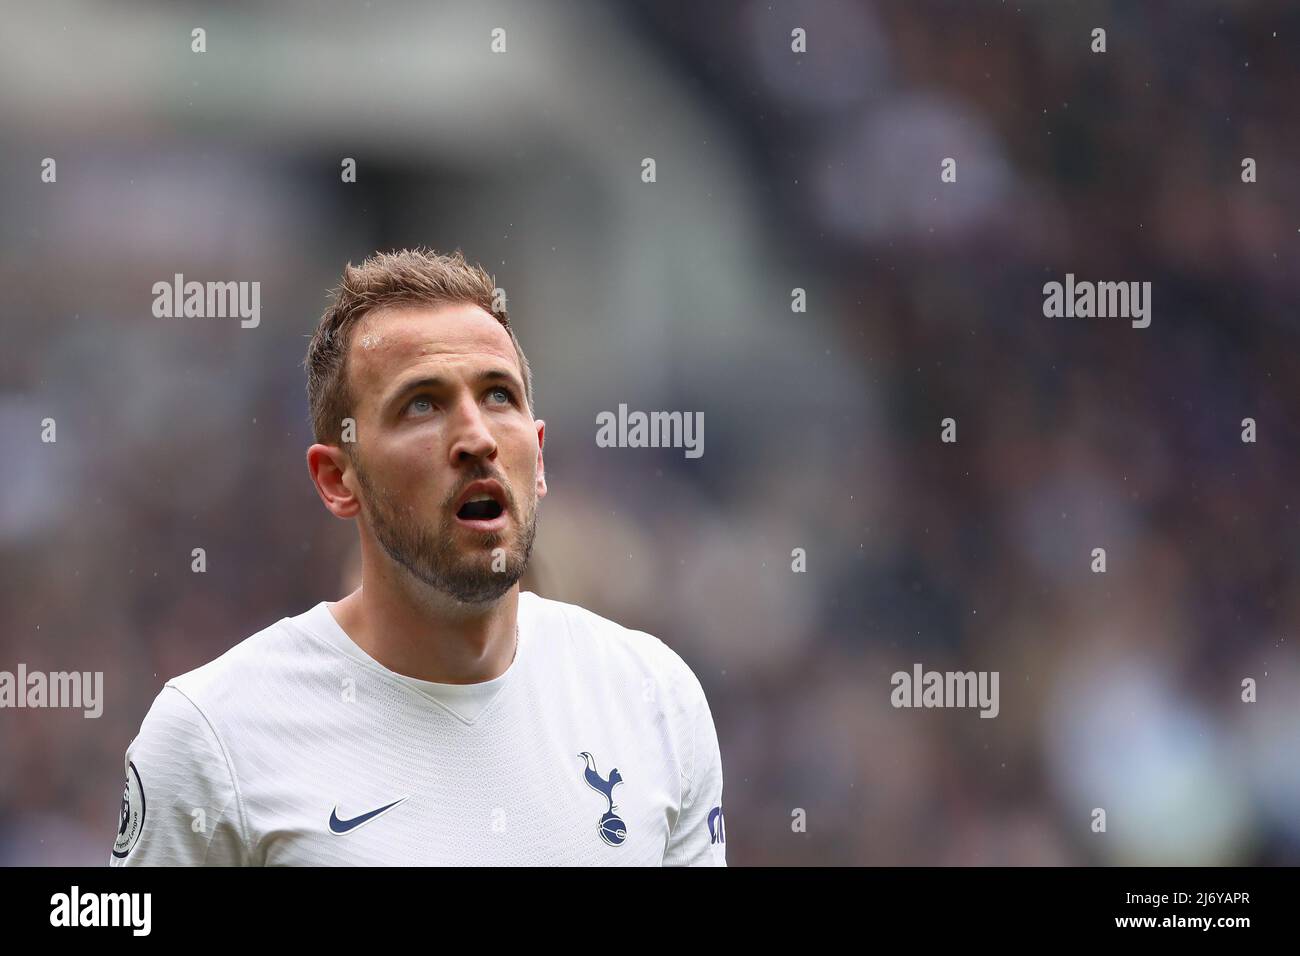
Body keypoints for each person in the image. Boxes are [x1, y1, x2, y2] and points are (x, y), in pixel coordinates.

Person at [110, 248, 726, 866]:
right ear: (337, 478)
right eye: (422, 404)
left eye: (498, 395)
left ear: (537, 458)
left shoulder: (654, 699)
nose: (477, 438)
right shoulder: (213, 738)